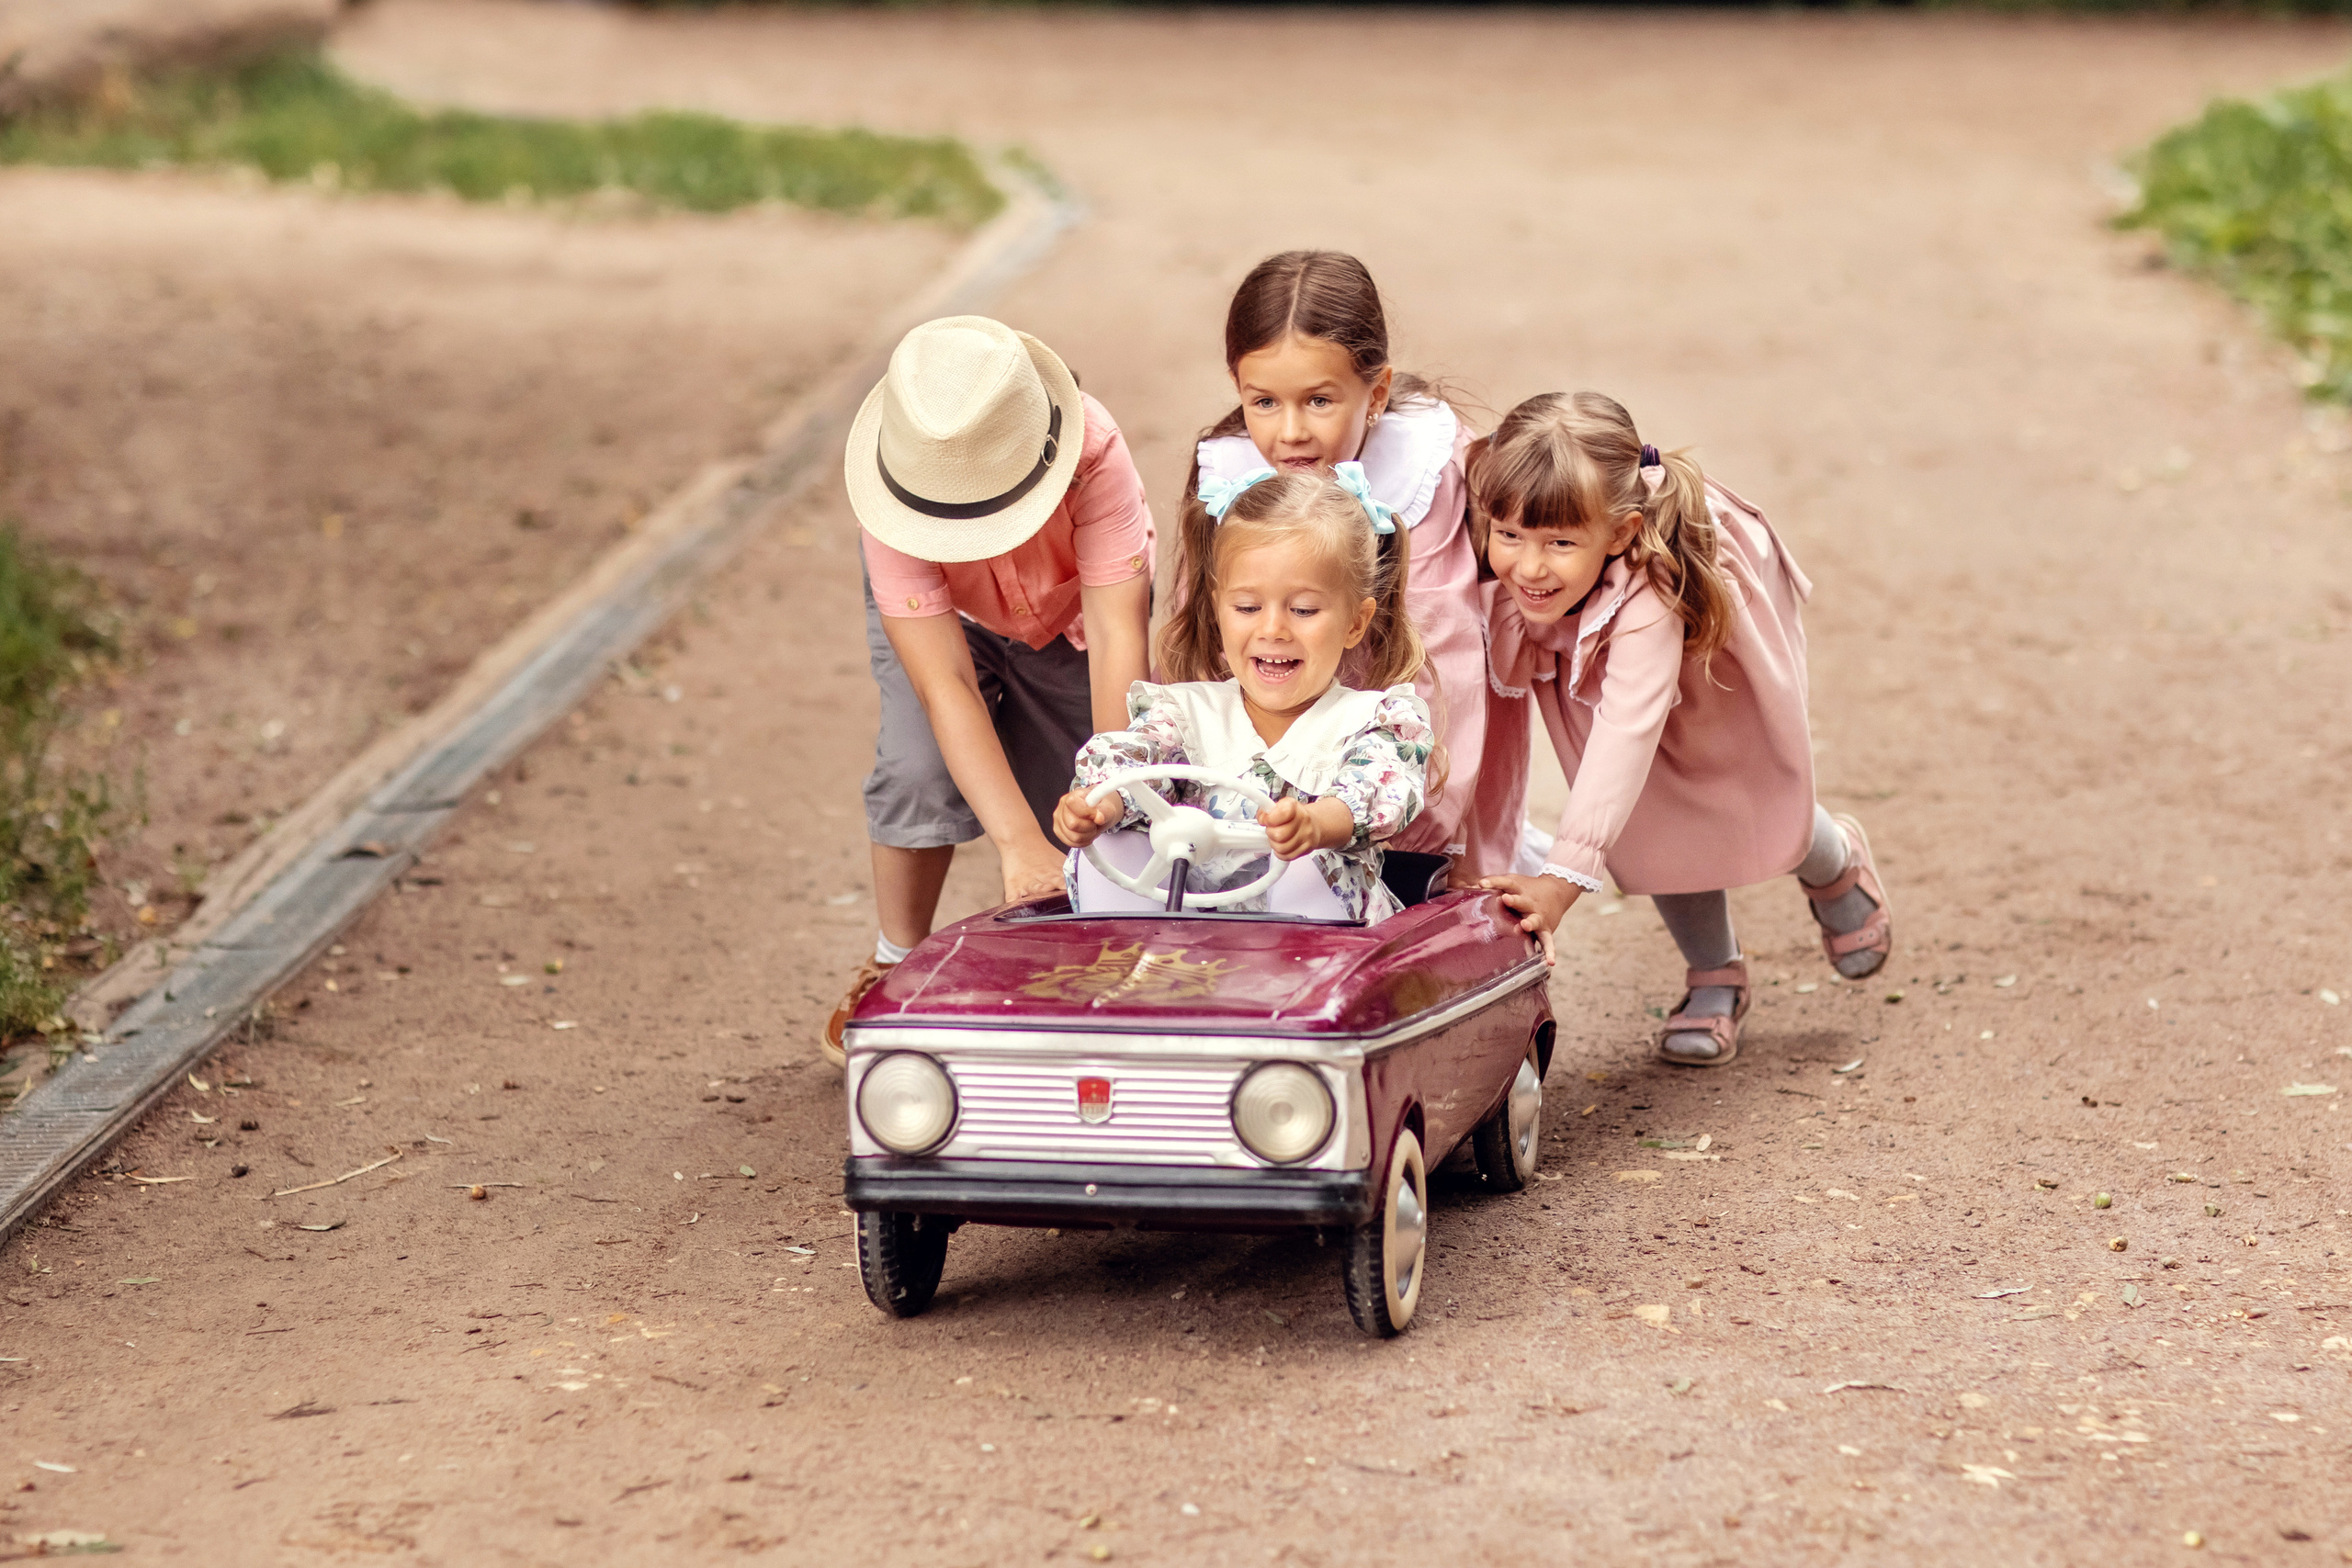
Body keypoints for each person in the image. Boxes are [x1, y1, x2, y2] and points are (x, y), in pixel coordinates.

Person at [1470, 392, 1894, 1067]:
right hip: (1600, 674)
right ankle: (1715, 972)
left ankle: (1833, 861)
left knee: (1747, 798)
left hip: (1708, 686)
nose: (1529, 566)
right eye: (1510, 535)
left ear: (1620, 533)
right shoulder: (1518, 566)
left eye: (1559, 543)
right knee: (1649, 818)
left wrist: (1563, 879)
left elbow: (1626, 731)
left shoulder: (1653, 593)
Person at [825, 315, 1154, 1066]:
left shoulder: (1096, 453)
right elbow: (944, 684)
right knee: (915, 768)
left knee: (1090, 800)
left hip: (1074, 618)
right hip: (945, 622)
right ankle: (894, 957)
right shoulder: (892, 499)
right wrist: (1015, 843)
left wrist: (1107, 787)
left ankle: (1092, 960)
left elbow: (1117, 638)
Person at [1171, 251, 1522, 886]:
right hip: (1260, 809)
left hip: (1408, 796)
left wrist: (1414, 831)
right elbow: (1203, 650)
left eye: (1319, 400)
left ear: (1376, 393)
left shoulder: (1432, 474)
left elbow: (1450, 673)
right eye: (1264, 402)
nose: (1291, 432)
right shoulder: (1227, 481)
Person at [1056, 467, 1430, 922]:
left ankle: (1292, 958)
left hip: (1318, 933)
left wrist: (1316, 824)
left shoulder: (1373, 720)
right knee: (1110, 841)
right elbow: (1135, 766)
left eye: (1303, 610)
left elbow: (1376, 791)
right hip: (1188, 923)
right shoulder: (1184, 713)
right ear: (1219, 610)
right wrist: (1100, 808)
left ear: (1355, 622)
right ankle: (1127, 952)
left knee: (1305, 863)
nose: (1273, 629)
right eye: (1248, 607)